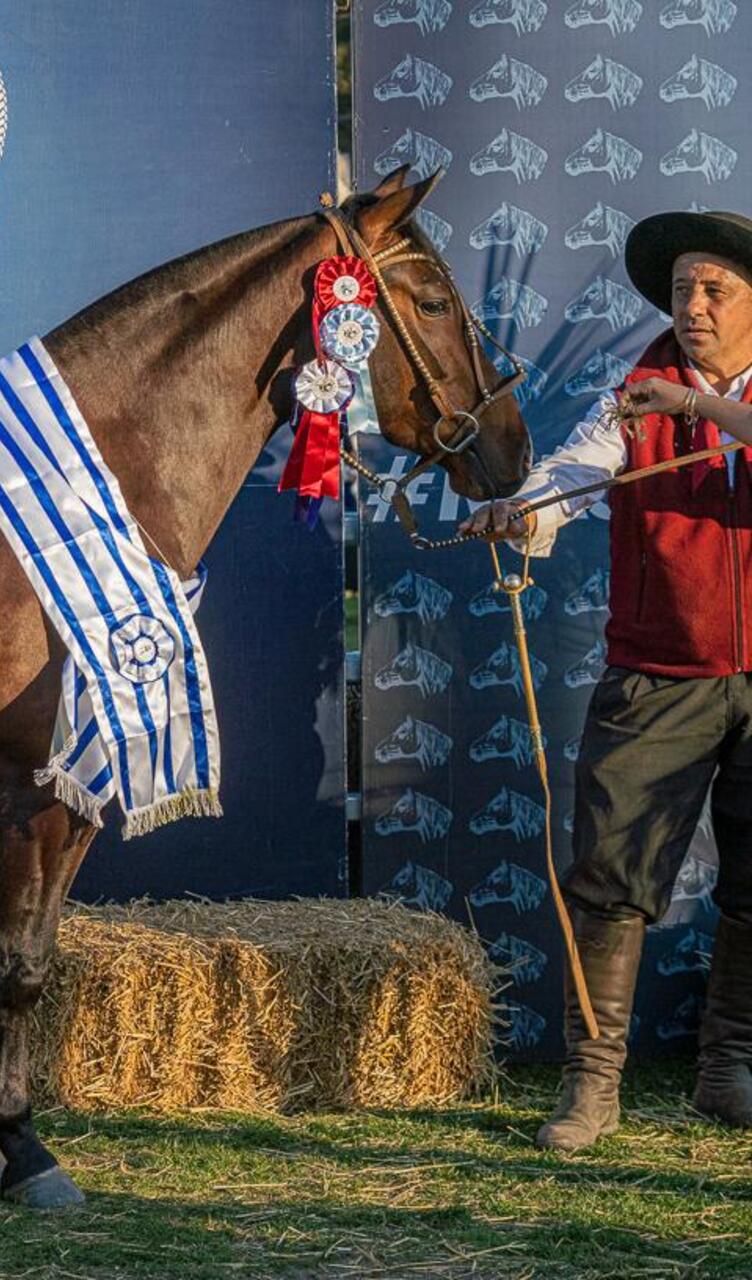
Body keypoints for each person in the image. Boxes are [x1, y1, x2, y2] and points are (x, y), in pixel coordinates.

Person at [461, 210, 752, 1151]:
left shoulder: (682, 398)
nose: (693, 307)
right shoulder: (634, 389)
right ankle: (593, 1086)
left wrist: (700, 410)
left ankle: (725, 1070)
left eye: (714, 290)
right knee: (613, 877)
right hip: (659, 673)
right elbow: (579, 470)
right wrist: (522, 515)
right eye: (681, 292)